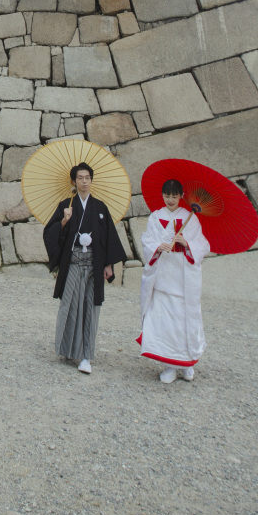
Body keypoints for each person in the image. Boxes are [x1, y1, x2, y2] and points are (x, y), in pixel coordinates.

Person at [43, 162, 127, 375]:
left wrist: (108, 264)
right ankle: (68, 349)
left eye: (87, 177)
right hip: (73, 262)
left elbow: (108, 237)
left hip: (93, 263)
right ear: (73, 181)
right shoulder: (66, 204)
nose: (84, 181)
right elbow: (50, 233)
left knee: (90, 307)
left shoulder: (99, 207)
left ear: (91, 180)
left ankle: (86, 356)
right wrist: (63, 221)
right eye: (80, 178)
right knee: (69, 305)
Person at [138, 178, 210, 383]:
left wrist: (187, 243)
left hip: (183, 278)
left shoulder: (190, 218)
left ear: (181, 197)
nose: (170, 200)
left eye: (174, 196)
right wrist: (158, 246)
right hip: (162, 277)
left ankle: (187, 364)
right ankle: (169, 365)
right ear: (162, 196)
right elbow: (147, 239)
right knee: (165, 322)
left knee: (185, 321)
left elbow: (202, 245)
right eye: (167, 196)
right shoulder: (155, 217)